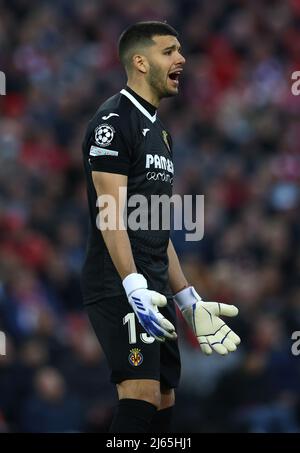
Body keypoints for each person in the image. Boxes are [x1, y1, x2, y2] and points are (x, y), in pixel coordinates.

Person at [81, 21, 241, 433]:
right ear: (139, 61)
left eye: (180, 50)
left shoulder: (162, 135)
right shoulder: (113, 121)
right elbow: (110, 213)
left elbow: (154, 225)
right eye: (169, 51)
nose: (181, 59)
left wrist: (187, 298)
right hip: (119, 281)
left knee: (166, 396)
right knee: (141, 394)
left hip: (152, 283)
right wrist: (133, 286)